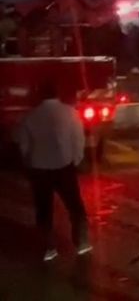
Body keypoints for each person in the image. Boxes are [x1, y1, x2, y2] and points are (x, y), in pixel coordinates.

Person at [15, 81, 91, 261]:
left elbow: (23, 146)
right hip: (64, 166)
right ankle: (81, 242)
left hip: (39, 169)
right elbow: (79, 140)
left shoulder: (29, 117)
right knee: (75, 206)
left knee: (44, 209)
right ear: (57, 93)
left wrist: (29, 163)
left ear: (39, 95)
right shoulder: (70, 113)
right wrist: (76, 159)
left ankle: (49, 248)